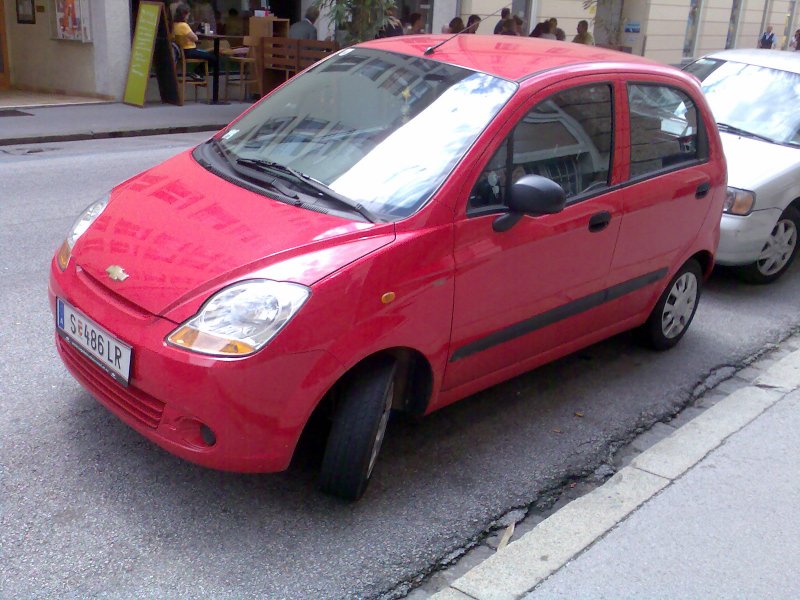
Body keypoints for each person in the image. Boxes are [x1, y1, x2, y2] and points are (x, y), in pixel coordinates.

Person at [173, 4, 216, 79]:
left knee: (206, 53)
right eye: (188, 15)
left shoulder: (175, 25)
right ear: (184, 14)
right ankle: (197, 73)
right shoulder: (184, 25)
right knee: (213, 57)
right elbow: (195, 38)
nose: (188, 17)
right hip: (189, 51)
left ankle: (198, 74)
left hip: (181, 51)